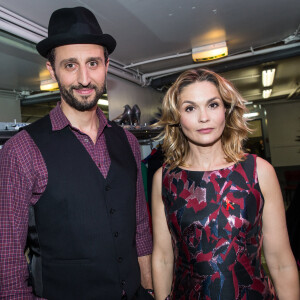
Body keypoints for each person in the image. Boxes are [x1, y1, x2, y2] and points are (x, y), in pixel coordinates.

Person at [0, 6, 153, 300]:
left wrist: (148, 288)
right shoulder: (21, 150)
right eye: (70, 65)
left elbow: (140, 229)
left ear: (107, 65)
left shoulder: (128, 142)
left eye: (93, 63)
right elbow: (7, 259)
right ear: (52, 68)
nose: (84, 78)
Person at [151, 68, 299, 299]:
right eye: (190, 108)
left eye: (212, 105)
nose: (203, 117)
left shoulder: (258, 171)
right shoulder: (165, 178)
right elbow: (162, 257)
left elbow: (281, 262)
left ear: (226, 111)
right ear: (177, 118)